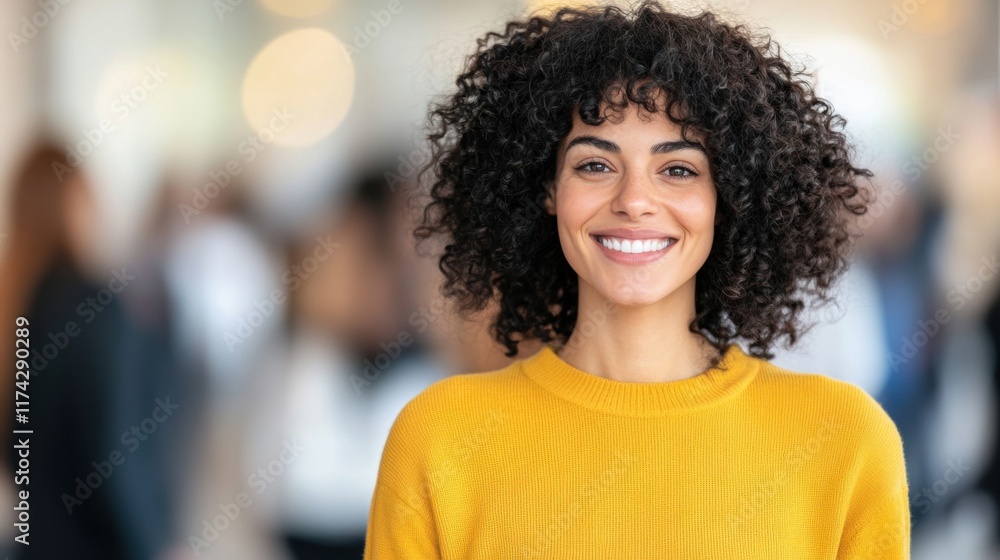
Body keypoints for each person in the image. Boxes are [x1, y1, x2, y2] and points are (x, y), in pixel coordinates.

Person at [364, 2, 910, 558]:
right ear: (546, 188)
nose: (634, 202)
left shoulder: (845, 439)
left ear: (728, 199)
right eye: (595, 165)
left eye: (678, 170)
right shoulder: (438, 438)